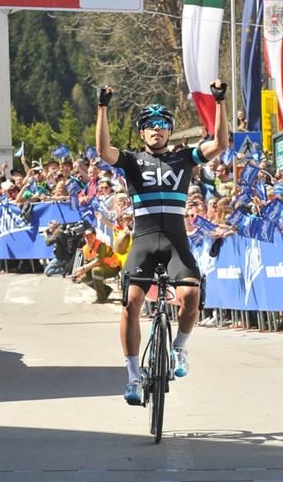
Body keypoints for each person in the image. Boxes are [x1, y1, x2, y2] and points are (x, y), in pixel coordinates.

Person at [96, 79, 229, 405]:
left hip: (175, 241)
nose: (157, 129)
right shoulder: (131, 160)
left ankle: (180, 347)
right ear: (142, 133)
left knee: (190, 295)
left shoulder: (184, 158)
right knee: (131, 303)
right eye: (150, 126)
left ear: (170, 132)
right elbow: (103, 151)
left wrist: (220, 102)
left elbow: (220, 144)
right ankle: (132, 375)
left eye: (163, 125)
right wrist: (102, 108)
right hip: (143, 239)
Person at [72, 226, 121, 303]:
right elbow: (86, 262)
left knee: (96, 271)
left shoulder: (101, 245)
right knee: (83, 277)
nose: (88, 238)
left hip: (112, 268)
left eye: (90, 236)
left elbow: (98, 261)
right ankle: (106, 291)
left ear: (95, 236)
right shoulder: (85, 248)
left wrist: (83, 268)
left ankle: (102, 298)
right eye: (86, 237)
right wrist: (79, 273)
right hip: (101, 268)